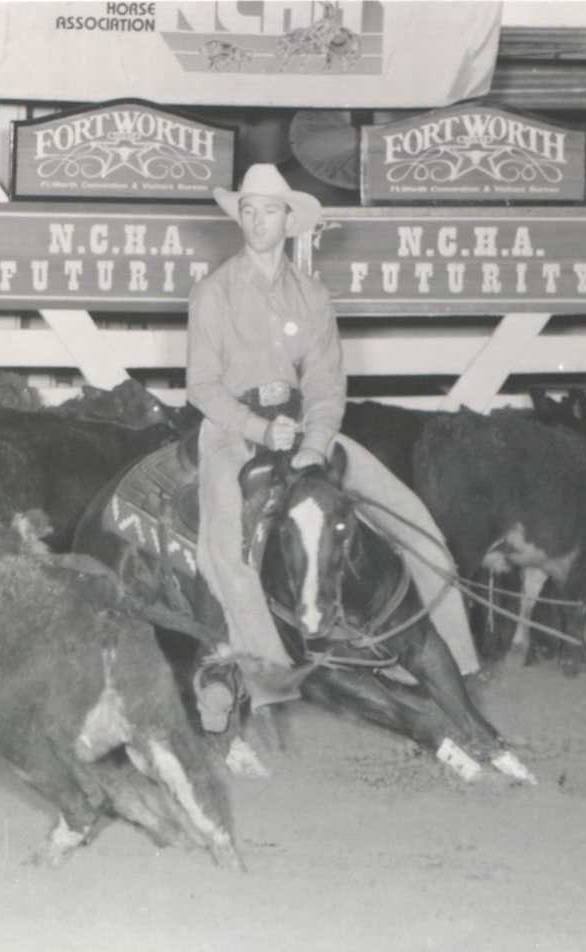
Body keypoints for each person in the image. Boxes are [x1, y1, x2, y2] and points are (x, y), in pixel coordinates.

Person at [186, 163, 479, 724]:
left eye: (268, 210)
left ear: (287, 220)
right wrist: (256, 428)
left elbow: (325, 381)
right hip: (230, 432)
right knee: (226, 550)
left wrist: (316, 442)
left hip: (302, 427)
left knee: (412, 520)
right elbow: (202, 386)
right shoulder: (214, 293)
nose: (256, 221)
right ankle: (271, 679)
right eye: (247, 210)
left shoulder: (312, 296)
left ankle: (453, 662)